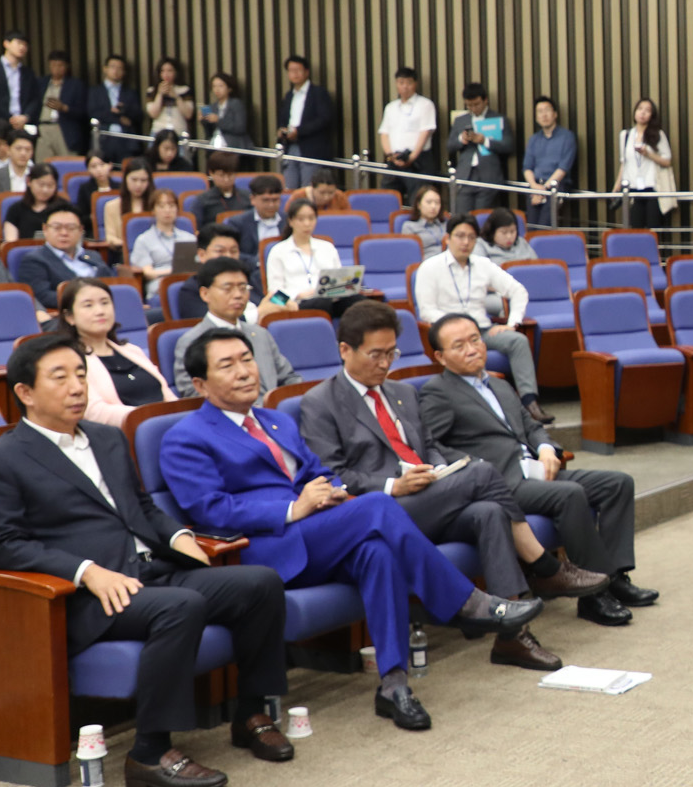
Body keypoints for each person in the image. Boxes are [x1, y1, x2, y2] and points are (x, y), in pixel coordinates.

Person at [162, 327, 542, 730]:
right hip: (267, 549)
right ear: (200, 384)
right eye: (228, 365)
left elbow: (321, 472)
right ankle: (465, 603)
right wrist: (294, 507)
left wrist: (335, 493)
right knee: (378, 505)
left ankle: (394, 685)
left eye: (247, 359)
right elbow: (211, 509)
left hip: (318, 532)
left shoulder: (275, 422)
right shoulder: (185, 438)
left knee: (376, 552)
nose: (243, 371)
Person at [0, 334, 294, 787]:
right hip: (89, 596)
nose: (77, 386)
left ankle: (251, 713)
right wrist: (86, 571)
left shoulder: (106, 437)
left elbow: (140, 507)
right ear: (25, 392)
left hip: (151, 571)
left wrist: (179, 536)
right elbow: (3, 546)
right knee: (179, 606)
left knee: (259, 583)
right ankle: (150, 752)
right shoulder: (0, 460)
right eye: (59, 377)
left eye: (81, 374)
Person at [299, 301, 608, 671]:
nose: (385, 364)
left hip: (432, 494)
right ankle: (544, 567)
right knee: (484, 473)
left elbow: (430, 447)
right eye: (376, 355)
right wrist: (392, 485)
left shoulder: (402, 393)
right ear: (345, 350)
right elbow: (332, 474)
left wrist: (445, 468)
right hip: (384, 512)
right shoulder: (321, 403)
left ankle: (513, 637)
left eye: (391, 353)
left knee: (489, 509)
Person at [418, 313, 653, 626]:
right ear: (440, 356)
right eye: (459, 345)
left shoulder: (498, 383)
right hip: (502, 481)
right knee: (570, 494)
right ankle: (594, 596)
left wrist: (545, 448)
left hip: (535, 472)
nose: (472, 349)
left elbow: (530, 425)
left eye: (475, 339)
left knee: (618, 483)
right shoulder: (438, 392)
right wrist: (477, 468)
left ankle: (616, 577)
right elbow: (431, 445)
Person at [414, 214, 553, 421]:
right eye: (460, 236)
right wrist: (457, 324)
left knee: (518, 340)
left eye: (471, 237)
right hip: (450, 334)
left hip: (483, 331)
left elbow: (518, 291)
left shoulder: (483, 264)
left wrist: (511, 324)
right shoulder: (430, 267)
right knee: (466, 344)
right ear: (447, 238)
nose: (466, 242)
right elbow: (426, 311)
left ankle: (529, 403)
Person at [173, 258, 299, 399]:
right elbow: (193, 395)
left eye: (243, 288)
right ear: (205, 294)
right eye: (228, 289)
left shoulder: (260, 333)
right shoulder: (192, 341)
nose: (238, 295)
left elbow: (289, 378)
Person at [61, 277, 176, 427]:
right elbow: (94, 412)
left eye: (105, 303)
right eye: (88, 305)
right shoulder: (71, 360)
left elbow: (165, 392)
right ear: (70, 317)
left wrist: (177, 415)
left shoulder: (133, 351)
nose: (100, 311)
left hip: (164, 425)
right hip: (123, 434)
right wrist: (148, 418)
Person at [265, 197, 357, 316]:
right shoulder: (278, 251)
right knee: (321, 303)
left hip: (329, 299)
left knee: (357, 300)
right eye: (301, 219)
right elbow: (273, 293)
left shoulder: (327, 247)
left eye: (311, 218)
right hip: (297, 303)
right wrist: (296, 296)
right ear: (291, 221)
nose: (307, 223)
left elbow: (339, 280)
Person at [15, 205, 109, 311]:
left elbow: (111, 283)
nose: (64, 233)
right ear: (45, 229)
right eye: (57, 228)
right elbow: (41, 296)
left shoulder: (93, 256)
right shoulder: (34, 260)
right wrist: (85, 300)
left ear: (80, 230)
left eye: (71, 228)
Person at [448, 81, 514, 213]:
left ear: (485, 100)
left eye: (476, 104)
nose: (473, 108)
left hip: (488, 175)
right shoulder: (460, 120)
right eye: (469, 105)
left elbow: (509, 146)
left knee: (482, 217)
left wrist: (485, 141)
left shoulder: (499, 119)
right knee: (462, 214)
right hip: (466, 174)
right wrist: (462, 139)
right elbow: (449, 145)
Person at [175, 224, 260, 323]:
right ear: (202, 255)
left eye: (233, 251)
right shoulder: (192, 289)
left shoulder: (248, 279)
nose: (228, 256)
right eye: (220, 251)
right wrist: (258, 314)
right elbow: (210, 325)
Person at [274, 55, 337, 189]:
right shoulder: (289, 95)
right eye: (291, 70)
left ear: (307, 72)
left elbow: (325, 118)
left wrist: (299, 131)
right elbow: (284, 119)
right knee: (289, 187)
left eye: (298, 70)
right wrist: (282, 130)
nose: (294, 74)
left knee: (308, 189)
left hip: (312, 148)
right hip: (290, 146)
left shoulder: (318, 93)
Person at [615, 97, 674, 229]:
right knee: (636, 227)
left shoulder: (657, 135)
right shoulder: (625, 135)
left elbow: (667, 161)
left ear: (652, 115)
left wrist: (649, 154)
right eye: (640, 109)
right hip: (633, 188)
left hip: (653, 187)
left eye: (647, 110)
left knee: (653, 228)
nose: (642, 113)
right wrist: (617, 185)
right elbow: (624, 162)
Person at [375, 66, 438, 189]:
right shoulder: (390, 107)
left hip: (418, 159)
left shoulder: (425, 104)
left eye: (409, 83)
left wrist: (412, 157)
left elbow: (425, 132)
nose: (405, 87)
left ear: (415, 84)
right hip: (394, 158)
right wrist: (391, 156)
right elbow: (384, 133)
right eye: (401, 83)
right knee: (388, 195)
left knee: (418, 197)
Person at [129, 189, 198, 300]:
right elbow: (148, 273)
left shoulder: (189, 238)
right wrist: (173, 272)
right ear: (153, 210)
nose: (167, 210)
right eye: (161, 206)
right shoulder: (143, 240)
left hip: (188, 281)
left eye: (171, 206)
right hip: (160, 285)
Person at [0, 30, 41, 140]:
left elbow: (35, 99)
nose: (22, 47)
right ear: (6, 44)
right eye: (19, 43)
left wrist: (25, 117)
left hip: (23, 124)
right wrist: (11, 119)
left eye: (25, 45)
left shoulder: (28, 73)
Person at [522, 95, 575, 227]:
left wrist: (544, 189)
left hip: (555, 187)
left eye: (547, 110)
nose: (544, 115)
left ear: (555, 114)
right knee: (531, 227)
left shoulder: (567, 137)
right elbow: (527, 167)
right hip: (535, 187)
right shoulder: (534, 139)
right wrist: (534, 187)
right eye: (540, 112)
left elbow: (563, 168)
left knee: (545, 227)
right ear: (536, 117)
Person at [87, 55, 140, 162]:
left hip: (125, 140)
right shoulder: (95, 91)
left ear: (124, 72)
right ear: (105, 69)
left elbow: (138, 115)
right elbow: (91, 113)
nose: (116, 71)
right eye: (112, 67)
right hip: (103, 138)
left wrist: (125, 111)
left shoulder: (130, 92)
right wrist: (115, 116)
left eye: (119, 68)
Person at [227, 173, 290, 261]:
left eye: (275, 200)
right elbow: (232, 253)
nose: (271, 205)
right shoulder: (237, 223)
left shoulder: (289, 221)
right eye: (266, 200)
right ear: (253, 199)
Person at [35, 50, 86, 159]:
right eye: (53, 65)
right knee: (43, 163)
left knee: (68, 163)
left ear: (67, 66)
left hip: (64, 129)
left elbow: (83, 112)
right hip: (43, 127)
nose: (57, 68)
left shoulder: (75, 85)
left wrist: (63, 108)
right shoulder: (41, 83)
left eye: (60, 65)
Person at [101, 157, 156, 248]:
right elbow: (110, 237)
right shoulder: (111, 206)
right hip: (123, 252)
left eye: (143, 180)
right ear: (125, 179)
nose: (138, 185)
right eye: (134, 180)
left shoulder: (156, 205)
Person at [4, 163, 66, 242]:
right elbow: (11, 243)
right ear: (29, 181)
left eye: (50, 185)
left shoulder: (64, 208)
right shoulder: (16, 209)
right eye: (41, 184)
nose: (45, 190)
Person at [192, 151, 251, 228]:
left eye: (230, 175)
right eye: (221, 175)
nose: (226, 180)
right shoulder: (202, 200)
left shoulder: (248, 197)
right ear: (211, 173)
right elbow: (196, 229)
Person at [198, 72, 250, 151]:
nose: (217, 89)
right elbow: (210, 133)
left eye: (221, 86)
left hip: (234, 146)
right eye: (214, 86)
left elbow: (240, 128)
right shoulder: (213, 107)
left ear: (229, 88)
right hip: (216, 145)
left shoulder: (236, 104)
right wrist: (204, 121)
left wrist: (219, 120)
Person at [145, 58, 191, 138]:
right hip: (158, 132)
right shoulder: (151, 91)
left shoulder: (184, 90)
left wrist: (176, 97)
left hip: (179, 132)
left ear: (176, 72)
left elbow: (188, 114)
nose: (166, 74)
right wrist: (159, 94)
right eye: (163, 71)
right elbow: (153, 114)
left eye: (170, 71)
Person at [398, 185, 446, 259]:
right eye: (429, 202)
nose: (433, 206)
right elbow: (409, 254)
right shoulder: (409, 227)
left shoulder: (446, 224)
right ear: (419, 205)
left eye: (437, 202)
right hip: (426, 265)